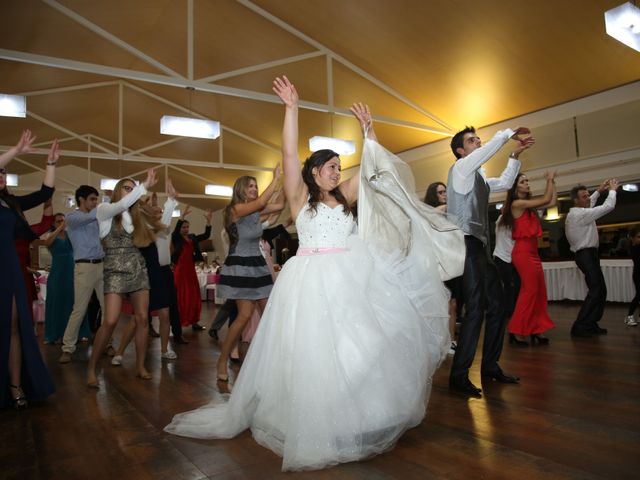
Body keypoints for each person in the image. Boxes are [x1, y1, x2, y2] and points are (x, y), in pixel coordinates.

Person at [165, 76, 462, 471]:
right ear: (316, 170)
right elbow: (290, 156)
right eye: (332, 167)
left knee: (362, 344)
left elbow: (375, 168)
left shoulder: (347, 195)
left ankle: (358, 412)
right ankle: (315, 417)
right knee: (314, 352)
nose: (338, 172)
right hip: (308, 279)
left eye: (340, 167)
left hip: (350, 276)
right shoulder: (299, 197)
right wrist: (292, 109)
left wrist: (369, 132)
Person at [447, 125, 534, 397]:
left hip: (481, 247)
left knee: (497, 306)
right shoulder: (461, 169)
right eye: (472, 141)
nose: (477, 143)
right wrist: (507, 133)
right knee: (475, 309)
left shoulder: (479, 178)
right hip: (466, 244)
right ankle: (458, 376)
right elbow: (485, 153)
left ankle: (490, 367)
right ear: (461, 151)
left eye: (478, 139)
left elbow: (506, 183)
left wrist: (514, 156)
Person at [86, 171, 161, 388]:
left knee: (142, 319)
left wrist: (157, 208)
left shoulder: (134, 215)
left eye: (132, 188)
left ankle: (140, 365)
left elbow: (160, 226)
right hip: (114, 269)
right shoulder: (105, 209)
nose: (130, 191)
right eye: (127, 188)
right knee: (110, 321)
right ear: (118, 190)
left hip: (137, 266)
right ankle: (92, 367)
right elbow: (122, 205)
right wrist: (143, 186)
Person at [0, 130, 57, 409]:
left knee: (13, 326)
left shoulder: (11, 204)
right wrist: (16, 150)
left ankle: (14, 384)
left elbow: (45, 193)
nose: (1, 175)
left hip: (8, 266)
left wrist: (51, 164)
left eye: (3, 172)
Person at [214, 169, 283, 386]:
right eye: (250, 186)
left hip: (258, 266)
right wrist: (275, 179)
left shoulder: (255, 213)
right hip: (241, 266)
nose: (254, 189)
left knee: (269, 313)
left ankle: (271, 360)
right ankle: (222, 360)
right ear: (240, 190)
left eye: (255, 185)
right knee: (244, 316)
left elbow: (279, 206)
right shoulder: (235, 209)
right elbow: (263, 201)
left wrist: (285, 184)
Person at [111, 186, 180, 364]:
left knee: (165, 314)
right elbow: (156, 221)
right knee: (138, 318)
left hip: (163, 273)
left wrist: (167, 202)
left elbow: (163, 221)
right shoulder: (142, 227)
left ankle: (165, 350)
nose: (159, 212)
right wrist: (168, 201)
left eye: (160, 210)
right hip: (146, 273)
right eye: (155, 210)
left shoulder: (163, 227)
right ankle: (119, 352)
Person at [500, 172, 557, 345]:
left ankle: (535, 329)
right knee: (529, 292)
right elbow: (546, 199)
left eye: (527, 181)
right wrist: (548, 179)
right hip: (523, 252)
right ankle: (515, 331)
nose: (527, 183)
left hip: (533, 252)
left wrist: (552, 181)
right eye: (523, 181)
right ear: (515, 186)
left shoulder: (528, 206)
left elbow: (552, 202)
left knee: (539, 292)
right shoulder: (517, 204)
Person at [59, 185, 112, 363]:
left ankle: (107, 343)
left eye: (96, 199)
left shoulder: (95, 218)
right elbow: (93, 216)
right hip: (84, 267)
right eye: (92, 199)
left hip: (101, 265)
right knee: (79, 309)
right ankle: (67, 348)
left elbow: (102, 226)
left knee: (108, 309)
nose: (95, 202)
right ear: (81, 199)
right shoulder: (72, 217)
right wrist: (108, 203)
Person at [565, 179, 619, 337]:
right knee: (597, 290)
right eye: (584, 196)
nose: (588, 198)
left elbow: (590, 203)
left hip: (587, 255)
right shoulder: (580, 215)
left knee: (599, 290)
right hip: (586, 255)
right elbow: (608, 206)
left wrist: (599, 190)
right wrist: (613, 190)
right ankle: (580, 325)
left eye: (588, 195)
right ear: (576, 200)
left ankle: (590, 323)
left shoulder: (579, 211)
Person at [43, 213, 91, 344]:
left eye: (63, 221)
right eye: (58, 221)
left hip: (72, 270)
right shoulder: (50, 235)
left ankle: (78, 333)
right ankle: (55, 333)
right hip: (58, 272)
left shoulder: (71, 234)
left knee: (75, 301)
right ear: (53, 223)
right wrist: (59, 228)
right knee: (56, 301)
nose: (62, 223)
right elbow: (47, 242)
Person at [424, 181, 459, 354]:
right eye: (441, 192)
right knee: (440, 304)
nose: (444, 194)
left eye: (446, 191)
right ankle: (437, 341)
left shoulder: (449, 214)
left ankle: (451, 340)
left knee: (452, 304)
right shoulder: (429, 213)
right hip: (435, 264)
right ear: (433, 195)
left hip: (450, 262)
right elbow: (432, 214)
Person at [171, 206, 212, 331]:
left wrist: (208, 221)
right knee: (182, 296)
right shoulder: (176, 238)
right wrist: (182, 217)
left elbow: (206, 235)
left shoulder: (193, 237)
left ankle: (194, 321)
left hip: (190, 270)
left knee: (194, 295)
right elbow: (175, 230)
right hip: (181, 271)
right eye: (183, 227)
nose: (185, 229)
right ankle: (180, 322)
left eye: (187, 227)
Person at [492, 211, 521, 345]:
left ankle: (513, 317)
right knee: (510, 288)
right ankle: (509, 318)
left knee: (514, 289)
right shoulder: (501, 219)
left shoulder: (514, 220)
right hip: (502, 258)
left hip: (512, 259)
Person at [625, 227, 640, 326]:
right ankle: (629, 317)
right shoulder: (635, 248)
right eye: (639, 237)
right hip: (638, 275)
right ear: (633, 238)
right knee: (639, 295)